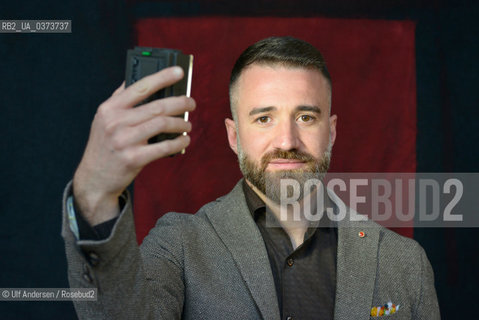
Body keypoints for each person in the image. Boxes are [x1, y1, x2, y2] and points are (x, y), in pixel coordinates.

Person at [62, 36, 440, 319]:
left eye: (306, 117)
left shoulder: (405, 263)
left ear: (333, 131)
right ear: (233, 135)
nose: (287, 141)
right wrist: (95, 195)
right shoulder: (178, 244)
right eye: (264, 119)